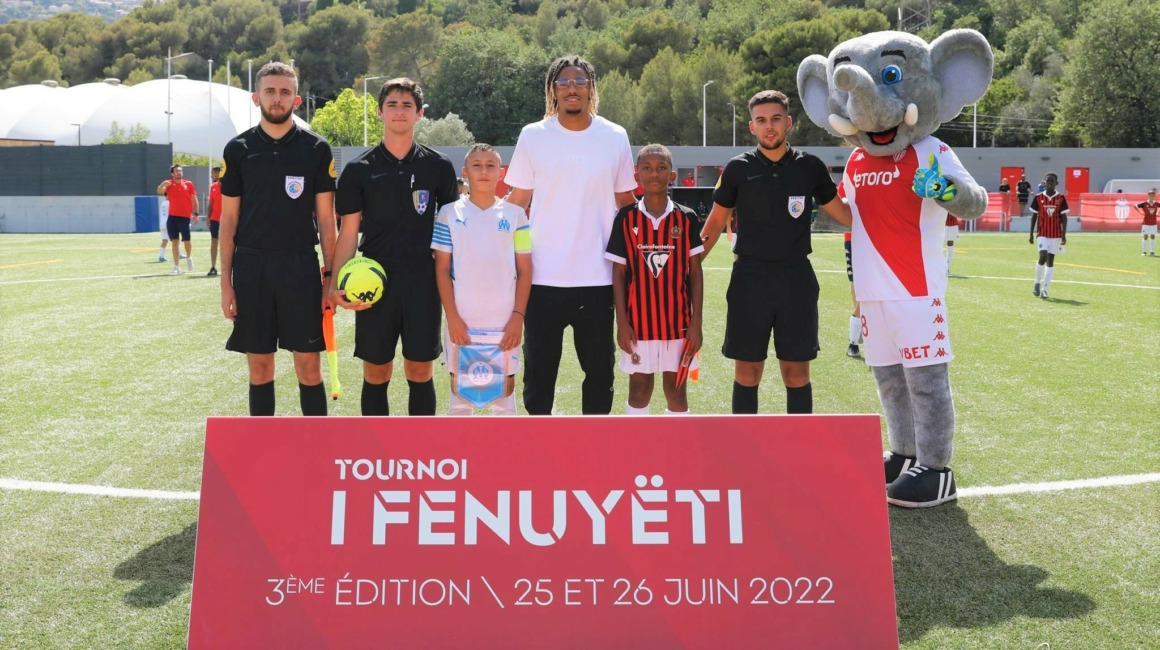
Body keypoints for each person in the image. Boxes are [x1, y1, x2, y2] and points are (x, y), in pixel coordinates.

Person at [700, 90, 851, 415]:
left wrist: (888, 210)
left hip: (796, 279)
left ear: (789, 123)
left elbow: (844, 213)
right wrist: (689, 265)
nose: (769, 126)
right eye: (762, 120)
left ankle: (799, 445)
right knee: (747, 372)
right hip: (749, 279)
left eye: (776, 119)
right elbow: (715, 221)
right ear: (752, 126)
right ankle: (744, 443)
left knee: (796, 374)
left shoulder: (809, 167)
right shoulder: (737, 168)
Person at [505, 54, 637, 415]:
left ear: (591, 88)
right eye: (563, 82)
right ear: (553, 90)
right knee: (539, 376)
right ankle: (538, 446)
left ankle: (595, 448)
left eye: (580, 81)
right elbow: (517, 202)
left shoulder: (614, 136)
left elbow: (627, 203)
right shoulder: (533, 135)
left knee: (599, 374)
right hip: (541, 279)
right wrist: (482, 233)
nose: (572, 88)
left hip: (598, 279)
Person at [332, 77, 458, 416]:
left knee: (420, 370)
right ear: (379, 112)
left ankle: (421, 445)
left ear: (419, 113)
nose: (399, 111)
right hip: (373, 280)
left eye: (406, 105)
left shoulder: (438, 166)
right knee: (376, 372)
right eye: (392, 105)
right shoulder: (358, 169)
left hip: (423, 281)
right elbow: (349, 233)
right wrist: (334, 284)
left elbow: (452, 233)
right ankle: (375, 447)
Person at [217, 61, 337, 416]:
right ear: (257, 97)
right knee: (259, 367)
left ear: (296, 100)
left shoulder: (316, 149)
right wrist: (226, 283)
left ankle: (317, 445)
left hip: (299, 266)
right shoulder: (237, 149)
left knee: (308, 366)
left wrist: (330, 278)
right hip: (251, 267)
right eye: (270, 91)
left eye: (285, 92)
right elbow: (229, 220)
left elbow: (326, 220)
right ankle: (262, 447)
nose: (277, 98)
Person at [432, 144, 532, 415]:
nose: (484, 171)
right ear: (465, 172)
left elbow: (525, 269)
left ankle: (505, 446)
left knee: (504, 401)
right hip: (462, 323)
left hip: (504, 323)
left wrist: (518, 317)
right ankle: (460, 446)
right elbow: (442, 269)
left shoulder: (517, 215)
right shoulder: (448, 213)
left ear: (501, 173)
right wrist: (452, 317)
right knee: (460, 402)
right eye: (477, 165)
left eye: (491, 166)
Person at [606, 144, 704, 415]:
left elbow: (695, 272)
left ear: (672, 175)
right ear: (637, 175)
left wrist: (696, 323)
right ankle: (637, 443)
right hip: (638, 324)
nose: (654, 174)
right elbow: (618, 273)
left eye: (661, 168)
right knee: (639, 390)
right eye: (647, 168)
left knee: (677, 393)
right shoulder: (626, 218)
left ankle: (677, 442)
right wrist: (622, 323)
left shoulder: (686, 217)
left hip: (679, 325)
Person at [1029, 172, 1069, 299]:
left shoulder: (1061, 198)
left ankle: (1045, 289)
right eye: (1048, 180)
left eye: (1052, 181)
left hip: (1056, 234)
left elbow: (1064, 218)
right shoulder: (1038, 197)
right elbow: (1034, 216)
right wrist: (1031, 234)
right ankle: (1037, 282)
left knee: (1050, 261)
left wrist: (1063, 235)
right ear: (1045, 183)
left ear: (1056, 183)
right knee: (1043, 256)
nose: (1050, 182)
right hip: (1042, 233)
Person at [157, 164, 199, 275]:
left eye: (180, 171)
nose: (179, 172)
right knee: (175, 242)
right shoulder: (168, 184)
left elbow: (194, 200)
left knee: (187, 241)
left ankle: (189, 257)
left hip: (185, 217)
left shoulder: (188, 184)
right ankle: (176, 267)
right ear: (172, 173)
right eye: (177, 171)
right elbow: (160, 192)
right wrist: (162, 185)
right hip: (172, 217)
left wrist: (196, 214)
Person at [844, 231, 863, 359]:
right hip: (856, 238)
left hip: (876, 237)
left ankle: (858, 329)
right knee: (857, 280)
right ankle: (853, 343)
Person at [206, 165, 222, 276]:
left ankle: (229, 267)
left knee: (228, 243)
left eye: (212, 174)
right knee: (214, 241)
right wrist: (208, 217)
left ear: (217, 174)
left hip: (226, 219)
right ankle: (213, 266)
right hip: (215, 219)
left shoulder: (229, 186)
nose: (211, 176)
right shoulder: (213, 187)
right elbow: (210, 203)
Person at [1134, 188, 1158, 256]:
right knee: (1145, 236)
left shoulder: (1156, 203)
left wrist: (1158, 212)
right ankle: (1144, 252)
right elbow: (1135, 206)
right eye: (1150, 195)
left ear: (1154, 196)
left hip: (1154, 223)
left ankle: (1152, 251)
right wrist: (1140, 212)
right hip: (1146, 223)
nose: (1151, 196)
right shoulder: (1144, 203)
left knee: (1153, 236)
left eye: (1153, 195)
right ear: (1148, 195)